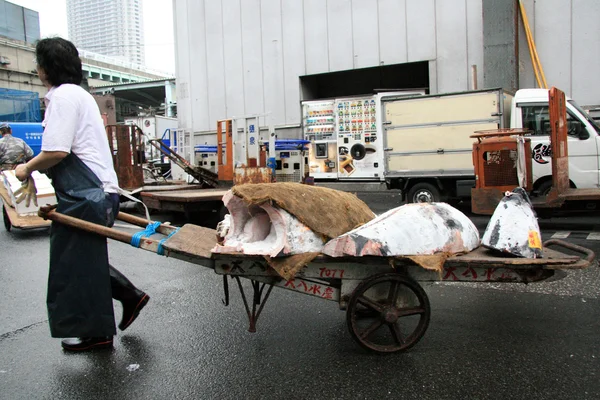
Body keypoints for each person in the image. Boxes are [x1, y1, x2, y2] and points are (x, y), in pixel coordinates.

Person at [15, 37, 150, 352]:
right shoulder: (80, 95)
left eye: (38, 64)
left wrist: (26, 170)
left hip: (88, 194)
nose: (37, 69)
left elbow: (56, 151)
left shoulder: (62, 97)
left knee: (76, 261)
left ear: (46, 68)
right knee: (77, 259)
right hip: (95, 191)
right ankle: (129, 296)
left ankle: (97, 333)